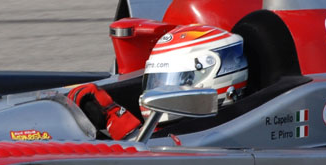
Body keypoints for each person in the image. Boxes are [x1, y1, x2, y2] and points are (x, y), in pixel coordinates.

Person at [68, 24, 248, 139]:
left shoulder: (220, 136)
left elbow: (162, 149)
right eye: (157, 81)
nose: (158, 91)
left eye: (178, 80)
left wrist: (117, 121)